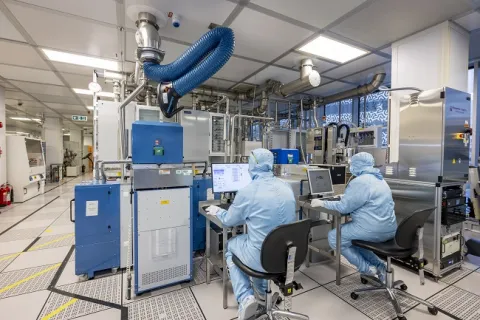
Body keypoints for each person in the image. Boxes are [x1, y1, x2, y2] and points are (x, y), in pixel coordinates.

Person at [205, 148, 296, 320]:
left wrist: (218, 211)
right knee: (260, 242)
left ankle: (245, 298)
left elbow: (229, 221)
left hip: (262, 258)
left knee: (231, 247)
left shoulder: (248, 191)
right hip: (287, 256)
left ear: (252, 165)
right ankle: (262, 295)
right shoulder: (286, 187)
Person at [311, 152, 397, 282]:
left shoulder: (360, 182)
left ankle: (367, 269)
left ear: (358, 165)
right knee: (351, 240)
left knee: (335, 237)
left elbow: (344, 208)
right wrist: (346, 198)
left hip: (372, 230)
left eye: (352, 164)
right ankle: (381, 267)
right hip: (389, 229)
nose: (351, 167)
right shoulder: (380, 179)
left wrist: (323, 203)